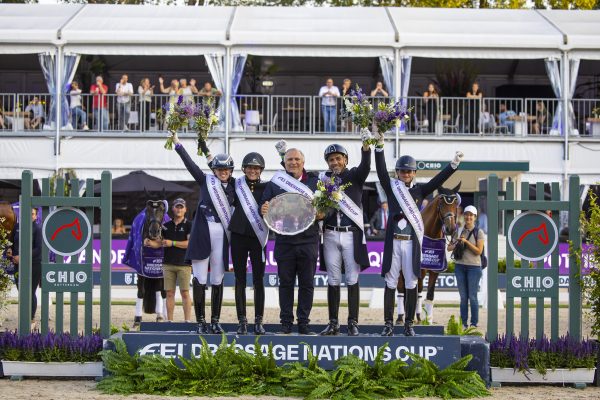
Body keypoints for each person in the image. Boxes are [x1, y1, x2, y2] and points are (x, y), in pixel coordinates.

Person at [374, 132, 463, 336]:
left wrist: (453, 165)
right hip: (394, 242)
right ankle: (388, 323)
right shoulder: (391, 187)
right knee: (391, 281)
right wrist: (379, 146)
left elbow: (439, 180)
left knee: (413, 281)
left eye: (409, 171)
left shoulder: (420, 191)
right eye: (403, 171)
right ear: (398, 172)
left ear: (414, 173)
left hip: (412, 243)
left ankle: (409, 324)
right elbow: (380, 171)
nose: (406, 174)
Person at [171, 131, 234, 334]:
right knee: (199, 278)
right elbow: (191, 165)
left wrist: (206, 148)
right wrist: (178, 144)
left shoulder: (235, 187)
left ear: (231, 171)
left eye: (226, 169)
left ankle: (215, 321)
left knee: (217, 278)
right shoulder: (206, 180)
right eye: (219, 169)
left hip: (222, 235)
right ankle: (200, 322)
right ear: (214, 170)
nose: (223, 172)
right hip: (202, 233)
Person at [260, 146, 320, 335]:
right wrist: (263, 208)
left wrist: (323, 213)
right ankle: (286, 323)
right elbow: (264, 206)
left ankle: (304, 323)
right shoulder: (275, 184)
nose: (293, 162)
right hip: (284, 241)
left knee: (307, 284)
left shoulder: (315, 183)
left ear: (303, 163)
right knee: (285, 284)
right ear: (284, 164)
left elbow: (328, 207)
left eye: (296, 159)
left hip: (308, 240)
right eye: (289, 160)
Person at [319, 140, 371, 336]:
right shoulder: (323, 180)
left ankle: (353, 322)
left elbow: (366, 166)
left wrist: (366, 147)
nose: (334, 163)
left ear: (345, 159)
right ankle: (333, 323)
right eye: (331, 160)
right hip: (331, 234)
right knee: (332, 279)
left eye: (338, 159)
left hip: (351, 234)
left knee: (351, 278)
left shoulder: (354, 176)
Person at [230, 152, 269, 335]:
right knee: (240, 279)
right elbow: (218, 174)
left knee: (259, 280)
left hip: (258, 238)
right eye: (250, 167)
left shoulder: (268, 188)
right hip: (238, 235)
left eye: (256, 168)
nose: (253, 171)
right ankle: (242, 321)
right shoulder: (236, 185)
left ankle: (258, 321)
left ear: (260, 170)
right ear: (244, 169)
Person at [146, 198, 193, 322]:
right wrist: (150, 243)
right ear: (172, 209)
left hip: (184, 264)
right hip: (168, 264)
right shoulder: (165, 226)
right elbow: (160, 244)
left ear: (185, 209)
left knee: (185, 293)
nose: (179, 209)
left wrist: (172, 243)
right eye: (177, 207)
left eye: (181, 207)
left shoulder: (189, 224)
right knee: (169, 294)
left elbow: (189, 244)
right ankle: (170, 322)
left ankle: (187, 321)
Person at [447, 205, 485, 329]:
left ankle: (473, 323)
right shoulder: (458, 230)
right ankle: (464, 323)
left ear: (475, 217)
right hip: (460, 266)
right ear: (464, 216)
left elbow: (478, 251)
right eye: (467, 214)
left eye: (471, 215)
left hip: (474, 267)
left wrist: (466, 242)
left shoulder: (478, 232)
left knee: (472, 297)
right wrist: (458, 242)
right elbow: (449, 248)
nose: (468, 217)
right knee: (463, 297)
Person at [11, 208, 42, 330]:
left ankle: (31, 319)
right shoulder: (17, 226)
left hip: (34, 265)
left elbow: (38, 249)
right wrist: (10, 251)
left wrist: (22, 256)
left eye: (32, 214)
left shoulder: (37, 229)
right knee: (22, 292)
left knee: (30, 292)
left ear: (36, 216)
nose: (29, 216)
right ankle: (26, 317)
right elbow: (12, 243)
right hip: (18, 264)